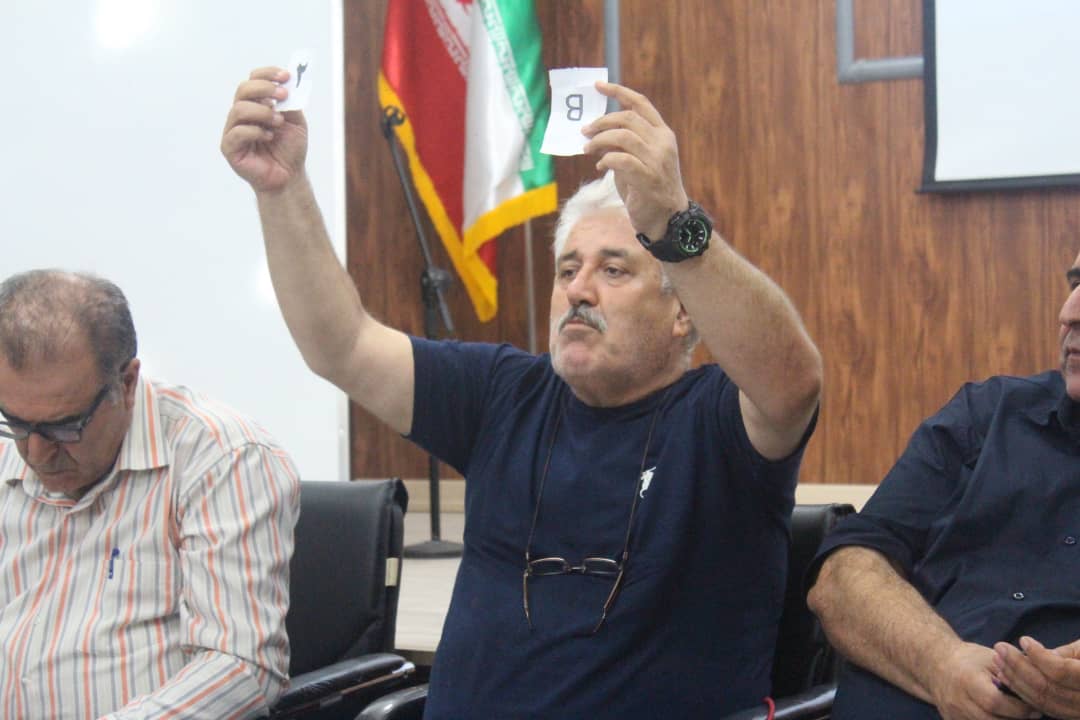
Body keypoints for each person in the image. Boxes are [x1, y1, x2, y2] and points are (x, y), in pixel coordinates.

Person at [222, 66, 822, 718]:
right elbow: (342, 345)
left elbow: (793, 381)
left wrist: (676, 225)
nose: (578, 290)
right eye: (568, 269)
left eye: (614, 269)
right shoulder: (503, 394)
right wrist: (282, 189)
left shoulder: (718, 420)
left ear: (684, 312)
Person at [0, 270, 301, 719]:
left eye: (64, 427)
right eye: (16, 422)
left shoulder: (222, 458)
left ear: (126, 383)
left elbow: (240, 666)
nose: (36, 453)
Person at [807, 252, 1080, 720]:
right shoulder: (986, 415)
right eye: (1074, 285)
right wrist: (940, 663)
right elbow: (840, 579)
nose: (1069, 311)